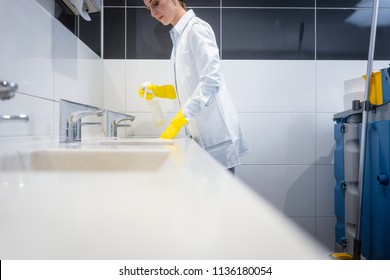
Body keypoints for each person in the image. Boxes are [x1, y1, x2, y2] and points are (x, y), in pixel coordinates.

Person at [141, 0, 250, 174]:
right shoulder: (180, 37)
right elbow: (189, 85)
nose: (152, 13)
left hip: (216, 137)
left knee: (218, 199)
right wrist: (159, 90)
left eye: (155, 3)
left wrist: (180, 119)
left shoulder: (196, 29)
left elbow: (211, 80)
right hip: (201, 139)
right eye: (148, 8)